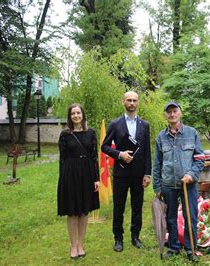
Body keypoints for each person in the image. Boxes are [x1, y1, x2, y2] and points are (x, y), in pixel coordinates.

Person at [152, 101, 204, 262]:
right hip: (168, 185)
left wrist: (191, 174)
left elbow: (200, 159)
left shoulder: (191, 133)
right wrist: (157, 186)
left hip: (188, 184)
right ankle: (174, 247)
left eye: (175, 111)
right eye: (169, 112)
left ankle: (191, 249)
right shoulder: (161, 137)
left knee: (191, 217)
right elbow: (157, 163)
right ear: (165, 115)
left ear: (180, 113)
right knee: (171, 218)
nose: (172, 114)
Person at [101, 91, 152, 252]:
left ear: (138, 103)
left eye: (134, 100)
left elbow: (147, 151)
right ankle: (118, 238)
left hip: (138, 174)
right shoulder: (115, 124)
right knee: (119, 207)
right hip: (121, 173)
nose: (132, 103)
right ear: (123, 102)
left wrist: (147, 173)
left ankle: (135, 236)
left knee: (137, 206)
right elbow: (105, 146)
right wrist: (119, 154)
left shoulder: (145, 125)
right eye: (129, 100)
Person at [57, 103, 100, 259]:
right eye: (73, 113)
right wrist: (63, 180)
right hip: (70, 174)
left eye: (78, 113)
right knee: (72, 211)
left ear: (83, 115)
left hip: (87, 174)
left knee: (84, 210)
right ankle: (73, 245)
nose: (76, 116)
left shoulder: (91, 133)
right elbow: (62, 159)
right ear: (70, 116)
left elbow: (95, 157)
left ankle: (81, 244)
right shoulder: (65, 135)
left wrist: (97, 179)